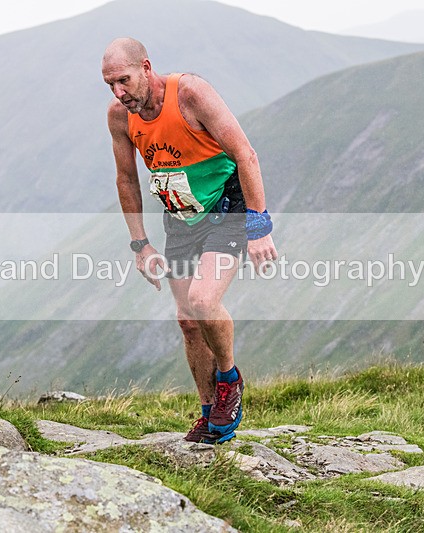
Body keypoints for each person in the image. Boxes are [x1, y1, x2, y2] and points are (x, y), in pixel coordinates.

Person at [102, 37, 277, 443]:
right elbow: (126, 178)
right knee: (187, 322)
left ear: (146, 67)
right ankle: (208, 414)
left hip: (226, 207)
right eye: (110, 84)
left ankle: (229, 381)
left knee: (202, 301)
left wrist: (258, 225)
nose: (118, 92)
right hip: (180, 217)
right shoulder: (118, 117)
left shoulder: (191, 94)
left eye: (124, 80)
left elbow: (245, 154)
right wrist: (140, 244)